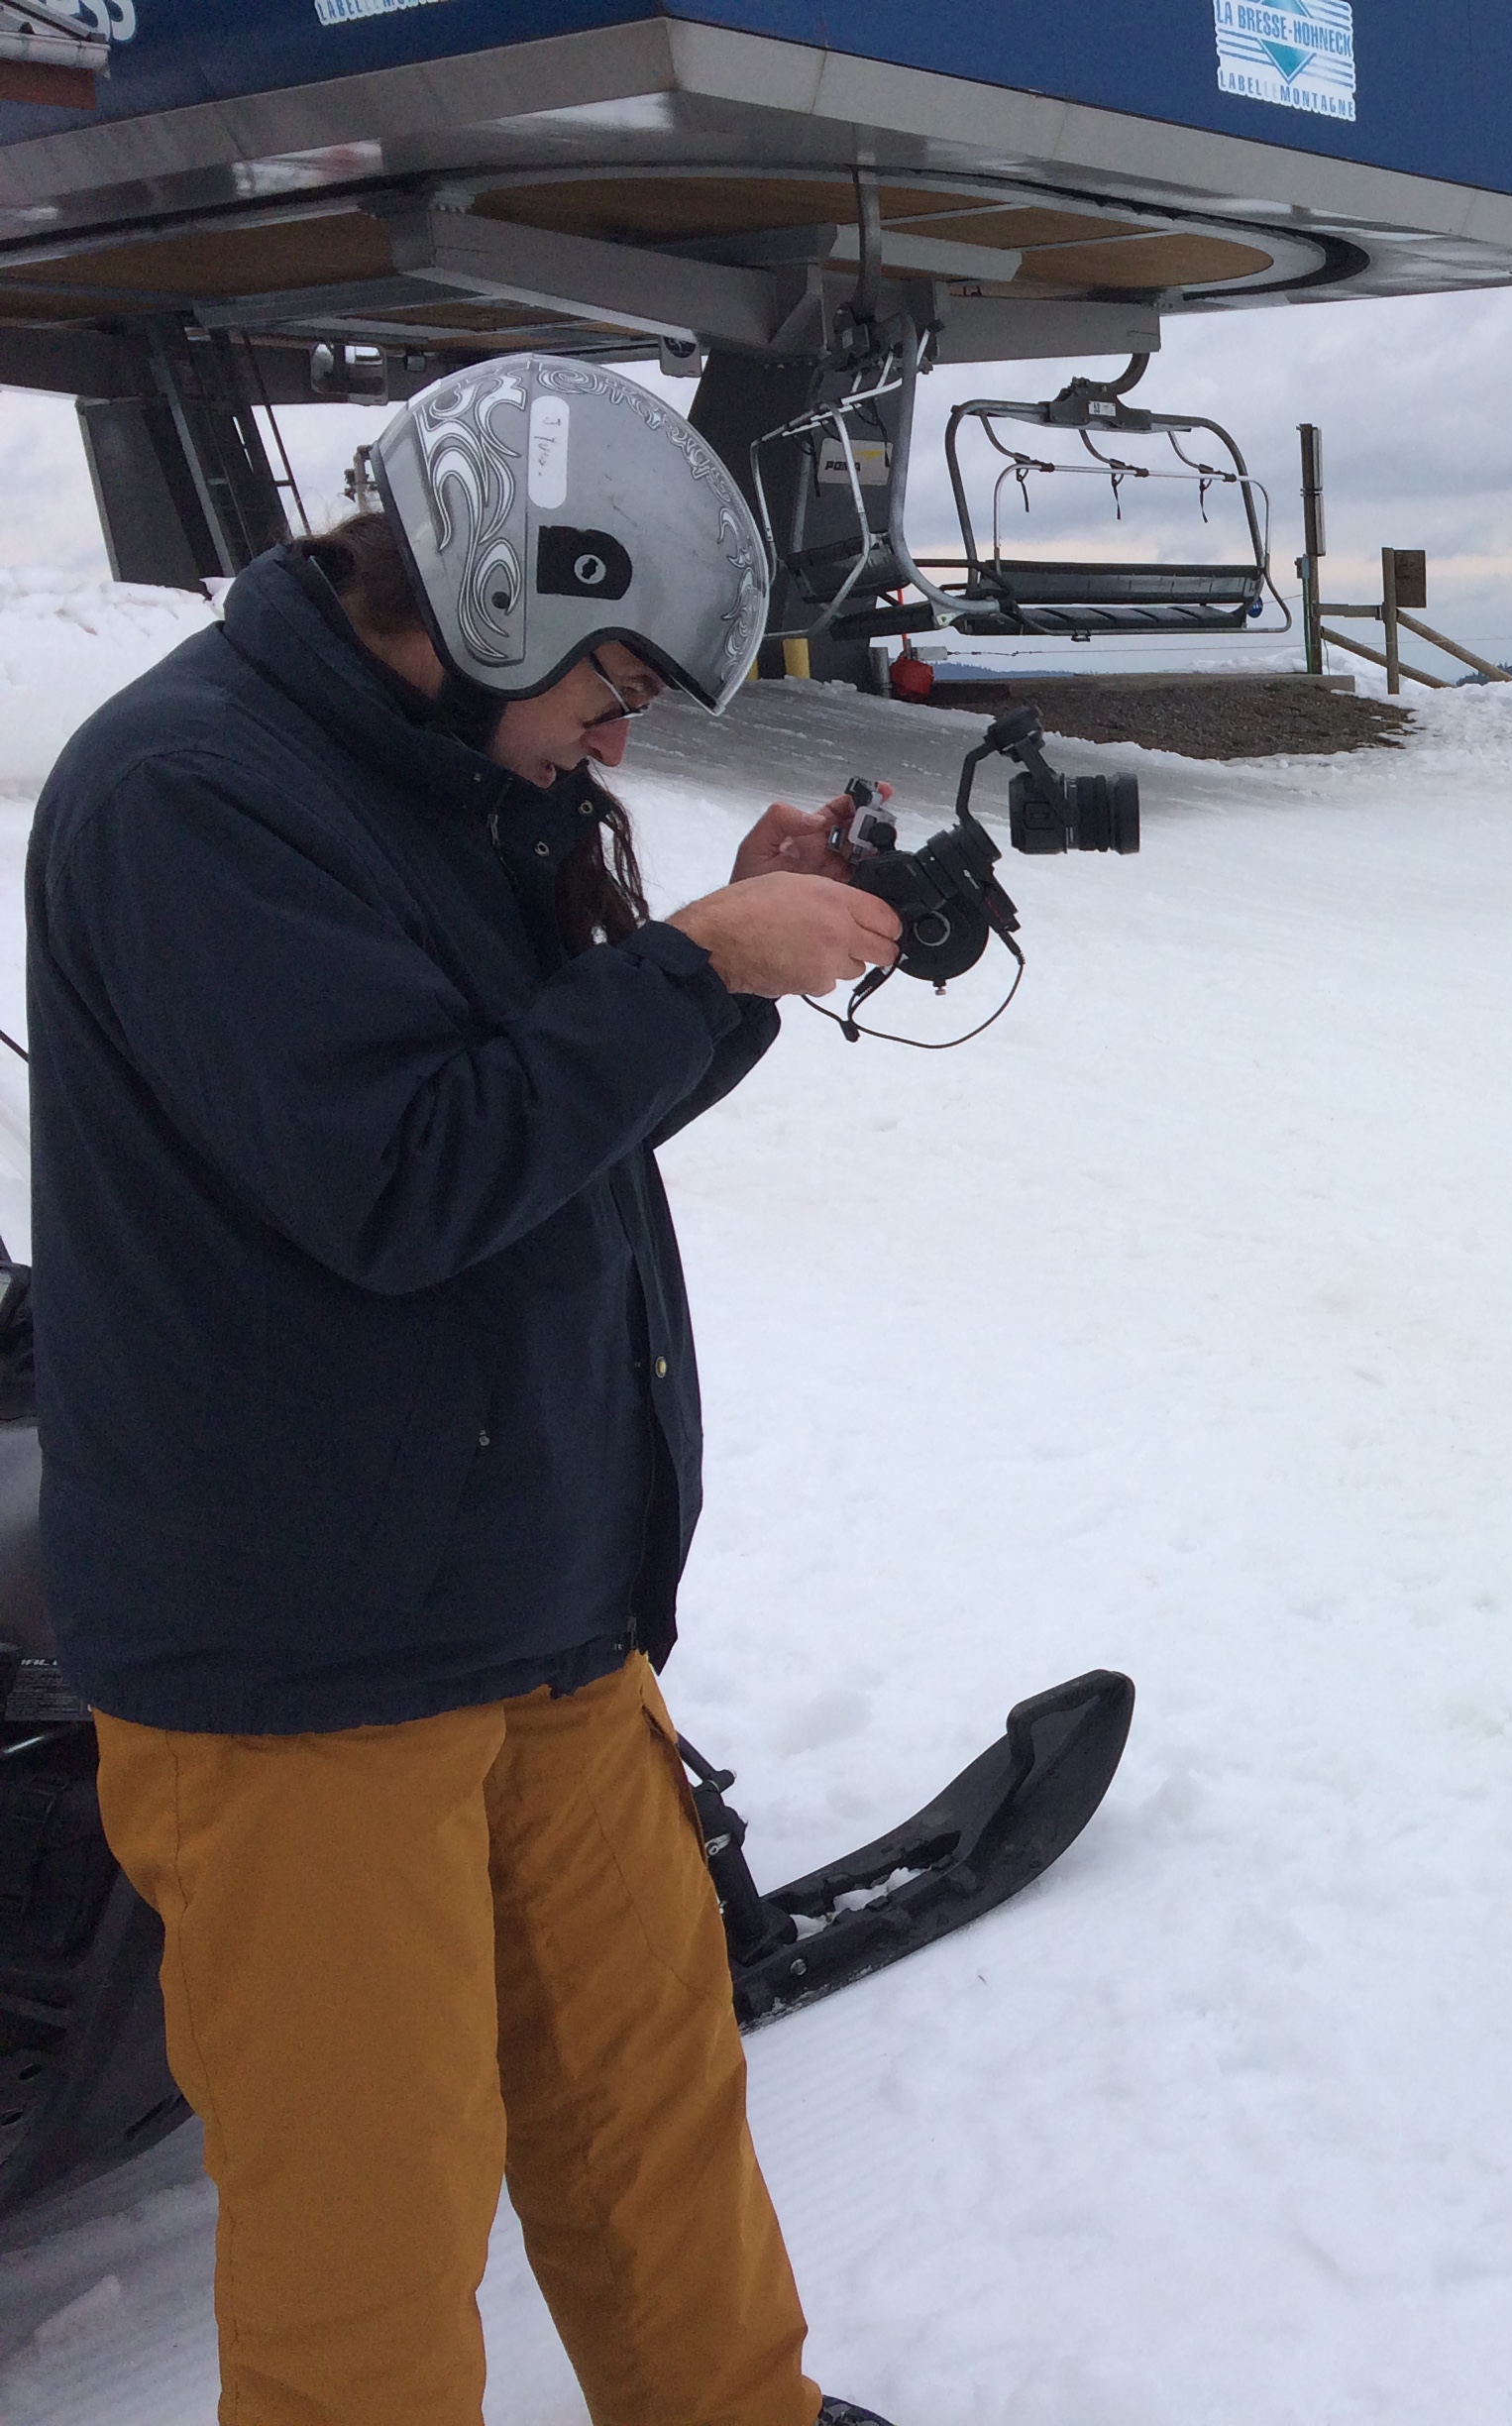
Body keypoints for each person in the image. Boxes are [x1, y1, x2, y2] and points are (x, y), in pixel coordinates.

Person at [28, 355, 907, 2426]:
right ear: (510, 583)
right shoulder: (192, 797)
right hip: (300, 1662)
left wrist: (731, 951)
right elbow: (407, 1174)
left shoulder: (455, 783)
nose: (630, 728)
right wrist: (695, 964)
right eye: (618, 676)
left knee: (643, 2110)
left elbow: (542, 1116)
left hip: (523, 1595)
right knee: (373, 2239)